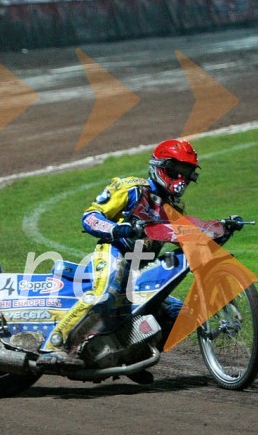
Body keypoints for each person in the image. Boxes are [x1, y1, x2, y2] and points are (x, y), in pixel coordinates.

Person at [36, 139, 203, 375]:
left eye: (186, 173)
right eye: (176, 170)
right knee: (106, 294)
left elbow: (185, 236)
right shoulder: (131, 188)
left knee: (179, 315)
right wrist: (116, 229)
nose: (180, 178)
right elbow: (90, 217)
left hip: (141, 270)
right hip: (114, 252)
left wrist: (219, 229)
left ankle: (131, 355)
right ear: (160, 166)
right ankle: (53, 345)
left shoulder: (175, 207)